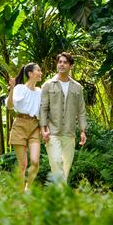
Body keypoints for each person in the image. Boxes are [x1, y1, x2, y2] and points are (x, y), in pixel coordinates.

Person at [39, 52, 87, 185]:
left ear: (71, 66)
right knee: (56, 163)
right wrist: (43, 129)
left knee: (65, 168)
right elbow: (43, 108)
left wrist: (82, 131)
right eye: (59, 62)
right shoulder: (48, 85)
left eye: (65, 62)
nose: (61, 64)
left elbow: (81, 111)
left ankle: (60, 196)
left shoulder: (77, 87)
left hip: (69, 133)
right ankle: (63, 197)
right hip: (52, 132)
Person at [6, 63, 43, 191]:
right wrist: (12, 89)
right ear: (30, 74)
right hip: (19, 125)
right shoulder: (20, 88)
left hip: (34, 126)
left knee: (35, 162)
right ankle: (21, 192)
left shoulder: (40, 92)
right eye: (38, 70)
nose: (41, 73)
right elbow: (10, 106)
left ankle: (28, 188)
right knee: (23, 164)